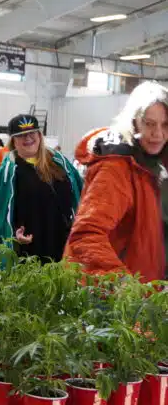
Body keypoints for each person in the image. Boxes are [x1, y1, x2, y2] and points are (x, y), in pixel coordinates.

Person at [65, 81, 168, 282]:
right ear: (134, 122)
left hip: (149, 291)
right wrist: (122, 285)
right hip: (117, 300)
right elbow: (87, 234)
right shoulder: (116, 167)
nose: (158, 134)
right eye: (149, 123)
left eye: (165, 124)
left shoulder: (156, 165)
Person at [0, 114, 83, 261]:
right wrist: (14, 234)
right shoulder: (6, 174)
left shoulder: (60, 163)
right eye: (21, 135)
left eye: (32, 133)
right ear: (13, 141)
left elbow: (79, 196)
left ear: (39, 135)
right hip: (30, 249)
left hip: (64, 244)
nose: (28, 138)